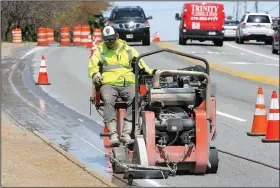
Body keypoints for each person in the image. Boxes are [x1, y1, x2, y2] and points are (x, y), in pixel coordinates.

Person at [88, 26, 160, 147]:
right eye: (107, 40)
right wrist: (95, 75)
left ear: (117, 36)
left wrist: (151, 72)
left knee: (135, 99)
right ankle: (113, 134)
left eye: (111, 39)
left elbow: (140, 63)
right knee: (108, 100)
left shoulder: (127, 49)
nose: (109, 42)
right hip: (109, 84)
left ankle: (127, 134)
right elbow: (93, 66)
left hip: (128, 83)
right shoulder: (100, 50)